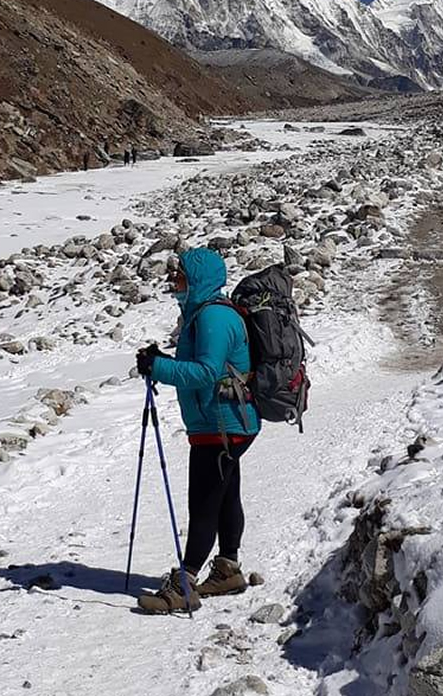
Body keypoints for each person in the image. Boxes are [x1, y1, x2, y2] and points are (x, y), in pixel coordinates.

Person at [134, 248, 260, 613]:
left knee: (204, 500)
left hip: (221, 425)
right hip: (229, 422)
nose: (174, 282)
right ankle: (228, 568)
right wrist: (165, 361)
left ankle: (184, 584)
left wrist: (159, 368)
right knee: (223, 494)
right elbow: (207, 368)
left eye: (180, 276)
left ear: (197, 279)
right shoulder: (206, 314)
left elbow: (206, 372)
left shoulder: (213, 319)